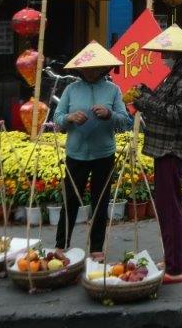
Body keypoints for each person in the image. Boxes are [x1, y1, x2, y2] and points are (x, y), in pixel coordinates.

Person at [134, 25, 182, 285]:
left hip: (171, 147)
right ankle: (180, 256)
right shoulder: (178, 72)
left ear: (177, 51)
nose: (163, 55)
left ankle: (174, 268)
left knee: (168, 207)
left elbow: (181, 113)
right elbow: (168, 103)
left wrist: (146, 102)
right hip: (165, 146)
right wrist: (147, 94)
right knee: (171, 204)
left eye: (166, 51)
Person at [53, 40, 132, 261]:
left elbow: (125, 122)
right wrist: (70, 117)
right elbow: (57, 120)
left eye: (95, 68)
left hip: (103, 155)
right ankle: (61, 244)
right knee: (70, 199)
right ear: (80, 68)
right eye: (87, 68)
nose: (91, 72)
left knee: (100, 201)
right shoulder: (71, 90)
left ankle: (96, 248)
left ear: (103, 68)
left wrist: (109, 114)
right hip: (75, 154)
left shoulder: (113, 90)